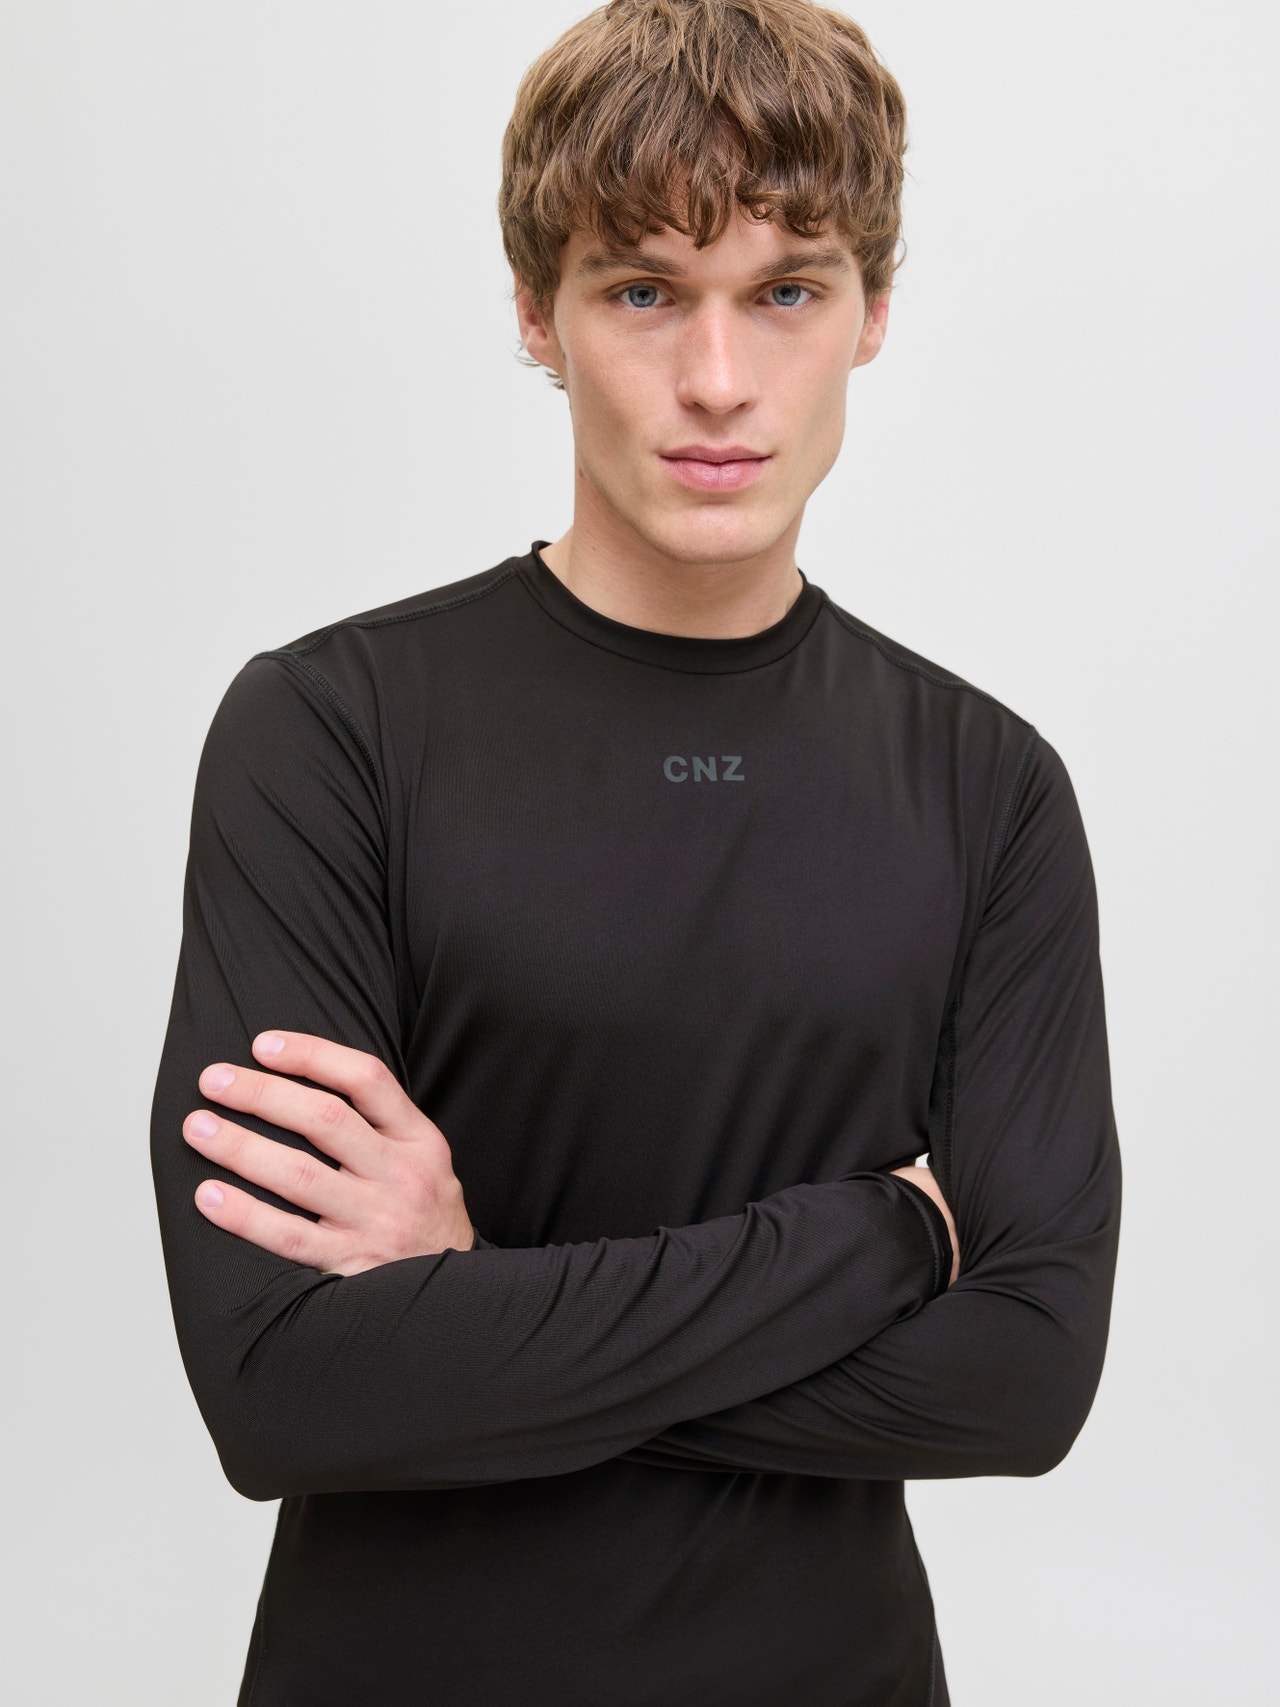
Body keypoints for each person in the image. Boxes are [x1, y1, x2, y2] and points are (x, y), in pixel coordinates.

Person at [150, 2, 1122, 1702]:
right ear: (539, 310)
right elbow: (285, 1385)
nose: (720, 380)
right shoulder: (330, 730)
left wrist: (471, 1305)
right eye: (645, 292)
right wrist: (886, 1242)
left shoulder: (990, 787)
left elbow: (1023, 1381)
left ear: (875, 311)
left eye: (788, 291)